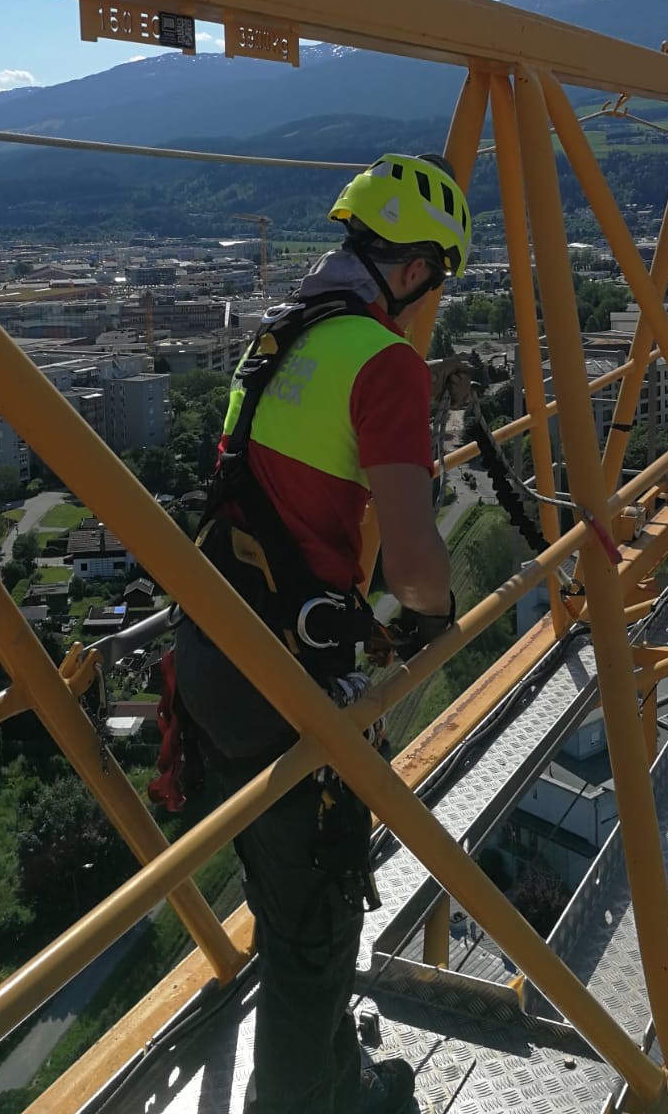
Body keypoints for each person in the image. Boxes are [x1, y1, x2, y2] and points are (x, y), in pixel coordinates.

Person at [174, 153, 472, 1114]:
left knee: (284, 896)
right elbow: (418, 571)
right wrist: (434, 619)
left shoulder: (277, 334)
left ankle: (328, 1074)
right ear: (421, 268)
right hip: (288, 682)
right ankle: (312, 1100)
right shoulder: (382, 361)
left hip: (213, 650)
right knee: (315, 924)